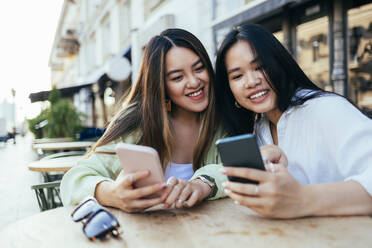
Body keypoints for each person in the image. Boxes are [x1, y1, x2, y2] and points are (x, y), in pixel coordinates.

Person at [197, 24, 372, 219]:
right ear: (229, 89)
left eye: (260, 67)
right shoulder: (260, 128)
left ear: (280, 63)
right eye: (237, 76)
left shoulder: (327, 109)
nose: (251, 81)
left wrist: (303, 199)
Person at [60, 28, 226, 213]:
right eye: (177, 77)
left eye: (199, 68)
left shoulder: (222, 118)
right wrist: (111, 194)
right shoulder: (137, 120)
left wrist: (203, 183)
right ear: (161, 85)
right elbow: (73, 180)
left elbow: (240, 169)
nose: (194, 82)